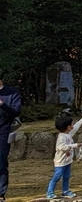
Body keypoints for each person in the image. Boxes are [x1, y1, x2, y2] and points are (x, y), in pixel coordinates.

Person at [46, 114, 82, 199]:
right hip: (60, 162)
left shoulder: (68, 134)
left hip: (67, 161)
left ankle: (65, 191)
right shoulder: (61, 137)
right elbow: (62, 147)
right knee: (57, 176)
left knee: (66, 176)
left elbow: (76, 128)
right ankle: (50, 192)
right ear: (68, 127)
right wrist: (75, 145)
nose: (73, 125)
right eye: (72, 124)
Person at [0, 74, 22, 202]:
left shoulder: (12, 93)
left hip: (3, 131)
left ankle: (1, 193)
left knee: (1, 163)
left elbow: (16, 111)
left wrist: (2, 104)